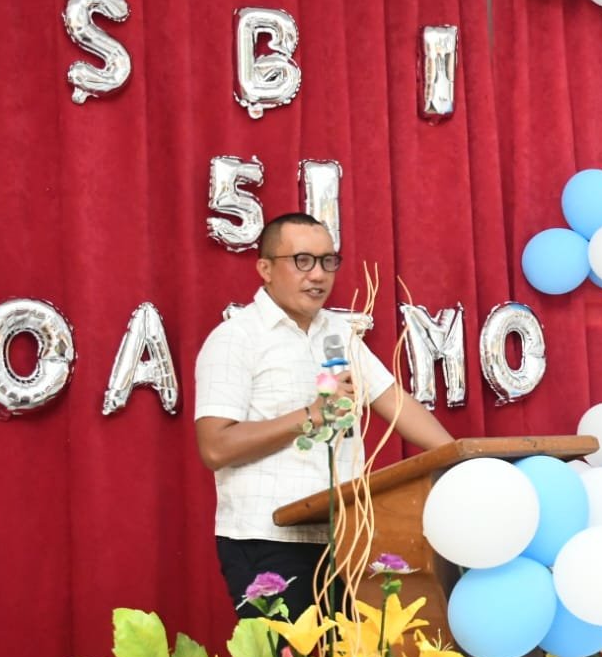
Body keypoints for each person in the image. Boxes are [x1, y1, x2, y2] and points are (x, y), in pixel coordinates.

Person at [194, 213, 455, 622]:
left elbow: (396, 403)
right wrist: (310, 416)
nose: (317, 274)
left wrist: (458, 458)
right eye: (302, 261)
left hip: (345, 538)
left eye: (328, 261)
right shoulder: (235, 339)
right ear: (265, 268)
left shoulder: (338, 333)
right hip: (268, 540)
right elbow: (215, 446)